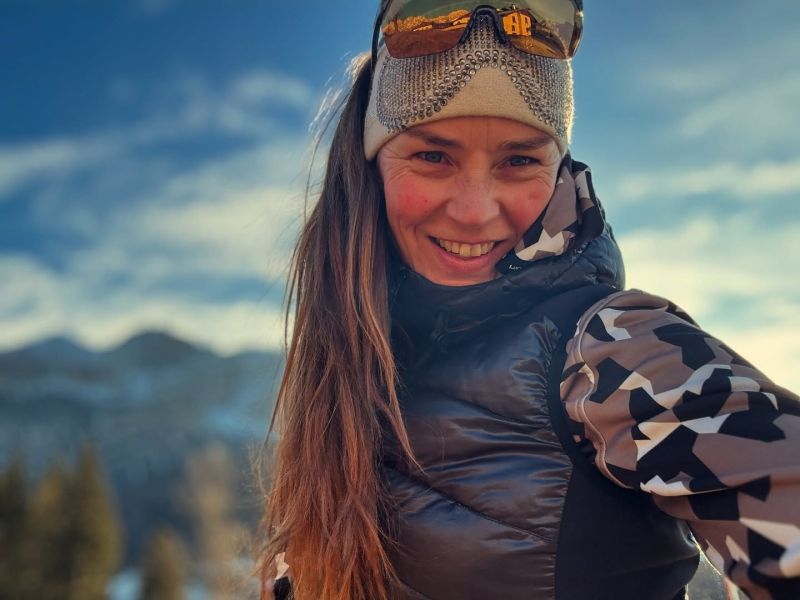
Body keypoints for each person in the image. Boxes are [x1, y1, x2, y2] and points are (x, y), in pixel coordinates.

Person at [257, 1, 800, 599]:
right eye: (433, 156)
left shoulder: (611, 351)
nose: (474, 209)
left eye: (519, 161)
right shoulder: (349, 359)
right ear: (370, 168)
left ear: (560, 170)